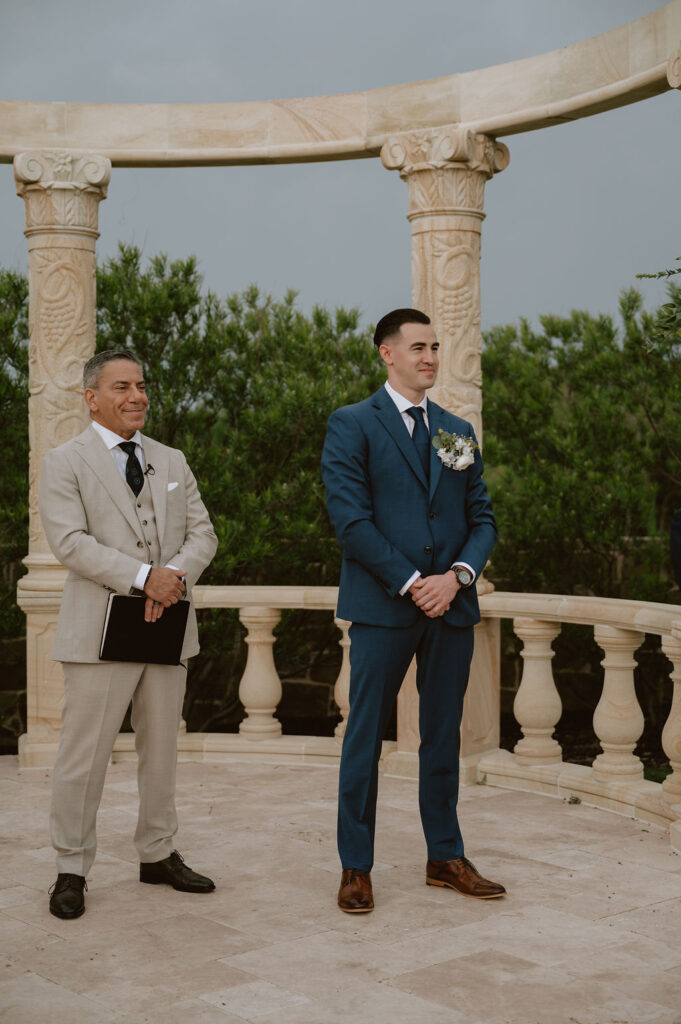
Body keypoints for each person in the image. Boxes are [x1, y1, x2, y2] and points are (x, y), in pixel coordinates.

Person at [321, 308, 505, 912]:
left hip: (449, 607)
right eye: (417, 347)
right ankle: (355, 867)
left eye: (434, 346)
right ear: (387, 354)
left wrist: (455, 578)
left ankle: (445, 857)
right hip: (383, 609)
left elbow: (482, 518)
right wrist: (411, 581)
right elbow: (351, 522)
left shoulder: (457, 430)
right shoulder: (352, 424)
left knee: (442, 735)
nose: (429, 356)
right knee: (365, 738)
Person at [39, 349, 218, 919]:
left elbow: (204, 533)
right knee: (82, 758)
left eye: (141, 385)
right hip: (98, 631)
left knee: (161, 750)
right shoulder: (64, 462)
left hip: (166, 628)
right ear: (92, 397)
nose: (137, 396)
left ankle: (157, 853)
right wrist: (147, 578)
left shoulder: (171, 459)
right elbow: (69, 542)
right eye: (122, 387)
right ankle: (71, 867)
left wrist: (173, 579)